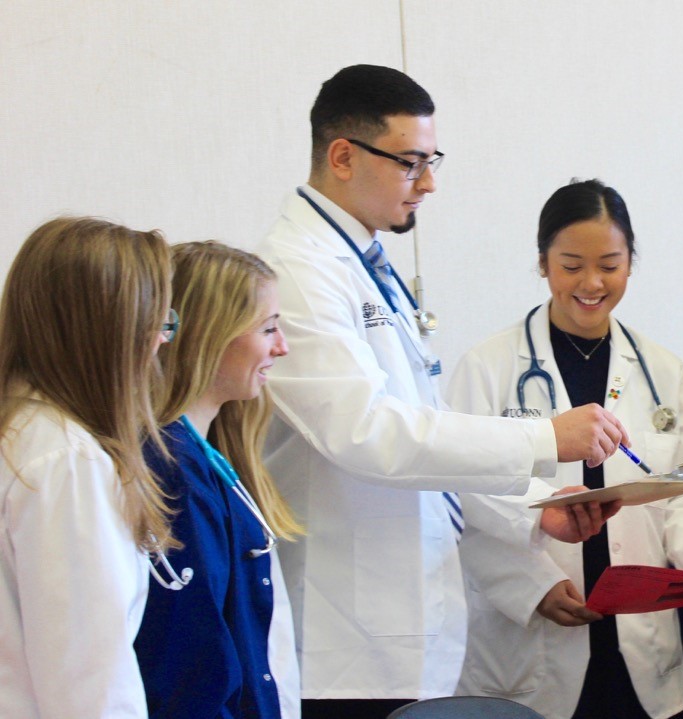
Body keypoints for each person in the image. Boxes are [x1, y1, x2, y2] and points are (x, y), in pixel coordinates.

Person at [256, 65, 627, 718]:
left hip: (398, 634)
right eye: (410, 163)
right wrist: (544, 436)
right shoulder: (298, 270)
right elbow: (365, 432)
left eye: (432, 161)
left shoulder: (362, 261)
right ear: (343, 156)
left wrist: (533, 504)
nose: (428, 183)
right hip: (346, 646)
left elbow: (423, 434)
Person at [447, 179, 683, 719]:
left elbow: (679, 497)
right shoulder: (488, 369)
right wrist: (534, 587)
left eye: (609, 264)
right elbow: (465, 501)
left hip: (640, 643)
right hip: (535, 631)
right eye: (571, 264)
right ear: (542, 263)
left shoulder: (662, 371)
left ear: (631, 262)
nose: (591, 282)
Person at [0, 217, 174, 717]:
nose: (164, 341)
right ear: (115, 330)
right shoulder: (65, 459)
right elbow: (88, 683)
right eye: (160, 323)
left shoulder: (23, 432)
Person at [134, 241, 302, 717]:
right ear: (209, 334)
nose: (281, 346)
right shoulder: (173, 470)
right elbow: (192, 663)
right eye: (268, 328)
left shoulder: (206, 456)